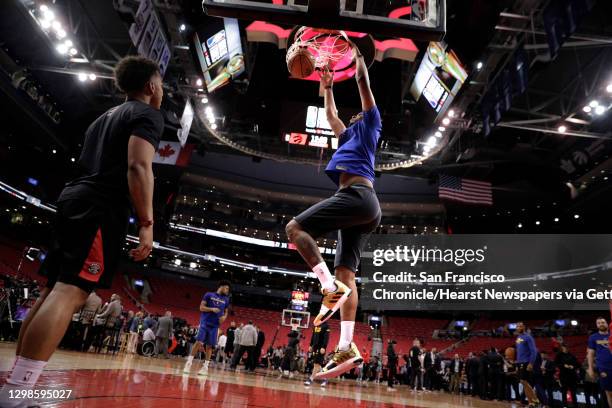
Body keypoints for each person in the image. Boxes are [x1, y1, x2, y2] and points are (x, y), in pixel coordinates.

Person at [0, 55, 163, 406]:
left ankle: (15, 384)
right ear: (151, 85)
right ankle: (17, 393)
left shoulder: (102, 118)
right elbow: (138, 166)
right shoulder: (147, 114)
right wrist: (147, 225)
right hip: (100, 206)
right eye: (160, 82)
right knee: (71, 292)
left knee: (51, 291)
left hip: (73, 199)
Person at [285, 40, 382, 381]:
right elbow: (331, 116)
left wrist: (357, 58)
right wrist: (326, 87)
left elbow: (363, 85)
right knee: (348, 275)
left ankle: (327, 287)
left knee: (295, 230)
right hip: (362, 207)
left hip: (358, 195)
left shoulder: (371, 125)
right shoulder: (348, 135)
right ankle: (345, 345)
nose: (354, 116)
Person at [183, 281, 231, 375]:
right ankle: (188, 364)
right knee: (198, 342)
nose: (227, 290)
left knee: (209, 346)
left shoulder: (226, 299)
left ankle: (205, 368)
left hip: (215, 326)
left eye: (228, 289)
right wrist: (212, 309)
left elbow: (226, 311)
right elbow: (201, 308)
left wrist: (224, 317)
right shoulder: (209, 294)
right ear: (221, 287)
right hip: (205, 323)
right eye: (226, 288)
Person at [587, 317, 612, 406]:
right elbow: (590, 354)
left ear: (607, 323)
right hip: (604, 368)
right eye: (599, 323)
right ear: (597, 325)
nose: (601, 324)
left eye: (603, 322)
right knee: (609, 393)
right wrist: (590, 368)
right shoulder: (593, 337)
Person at [515, 322, 539, 406]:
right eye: (517, 326)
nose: (518, 327)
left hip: (526, 362)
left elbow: (533, 351)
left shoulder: (528, 337)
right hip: (520, 362)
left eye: (520, 326)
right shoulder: (518, 337)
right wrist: (517, 363)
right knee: (523, 382)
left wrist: (531, 363)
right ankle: (531, 403)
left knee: (524, 381)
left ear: (524, 327)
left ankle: (535, 400)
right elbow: (519, 351)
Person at [304, 321, 330, 386]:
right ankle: (325, 378)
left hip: (320, 347)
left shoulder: (326, 325)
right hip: (314, 347)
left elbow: (326, 337)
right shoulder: (316, 324)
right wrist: (310, 345)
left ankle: (311, 379)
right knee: (317, 364)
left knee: (316, 364)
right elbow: (313, 336)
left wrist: (324, 347)